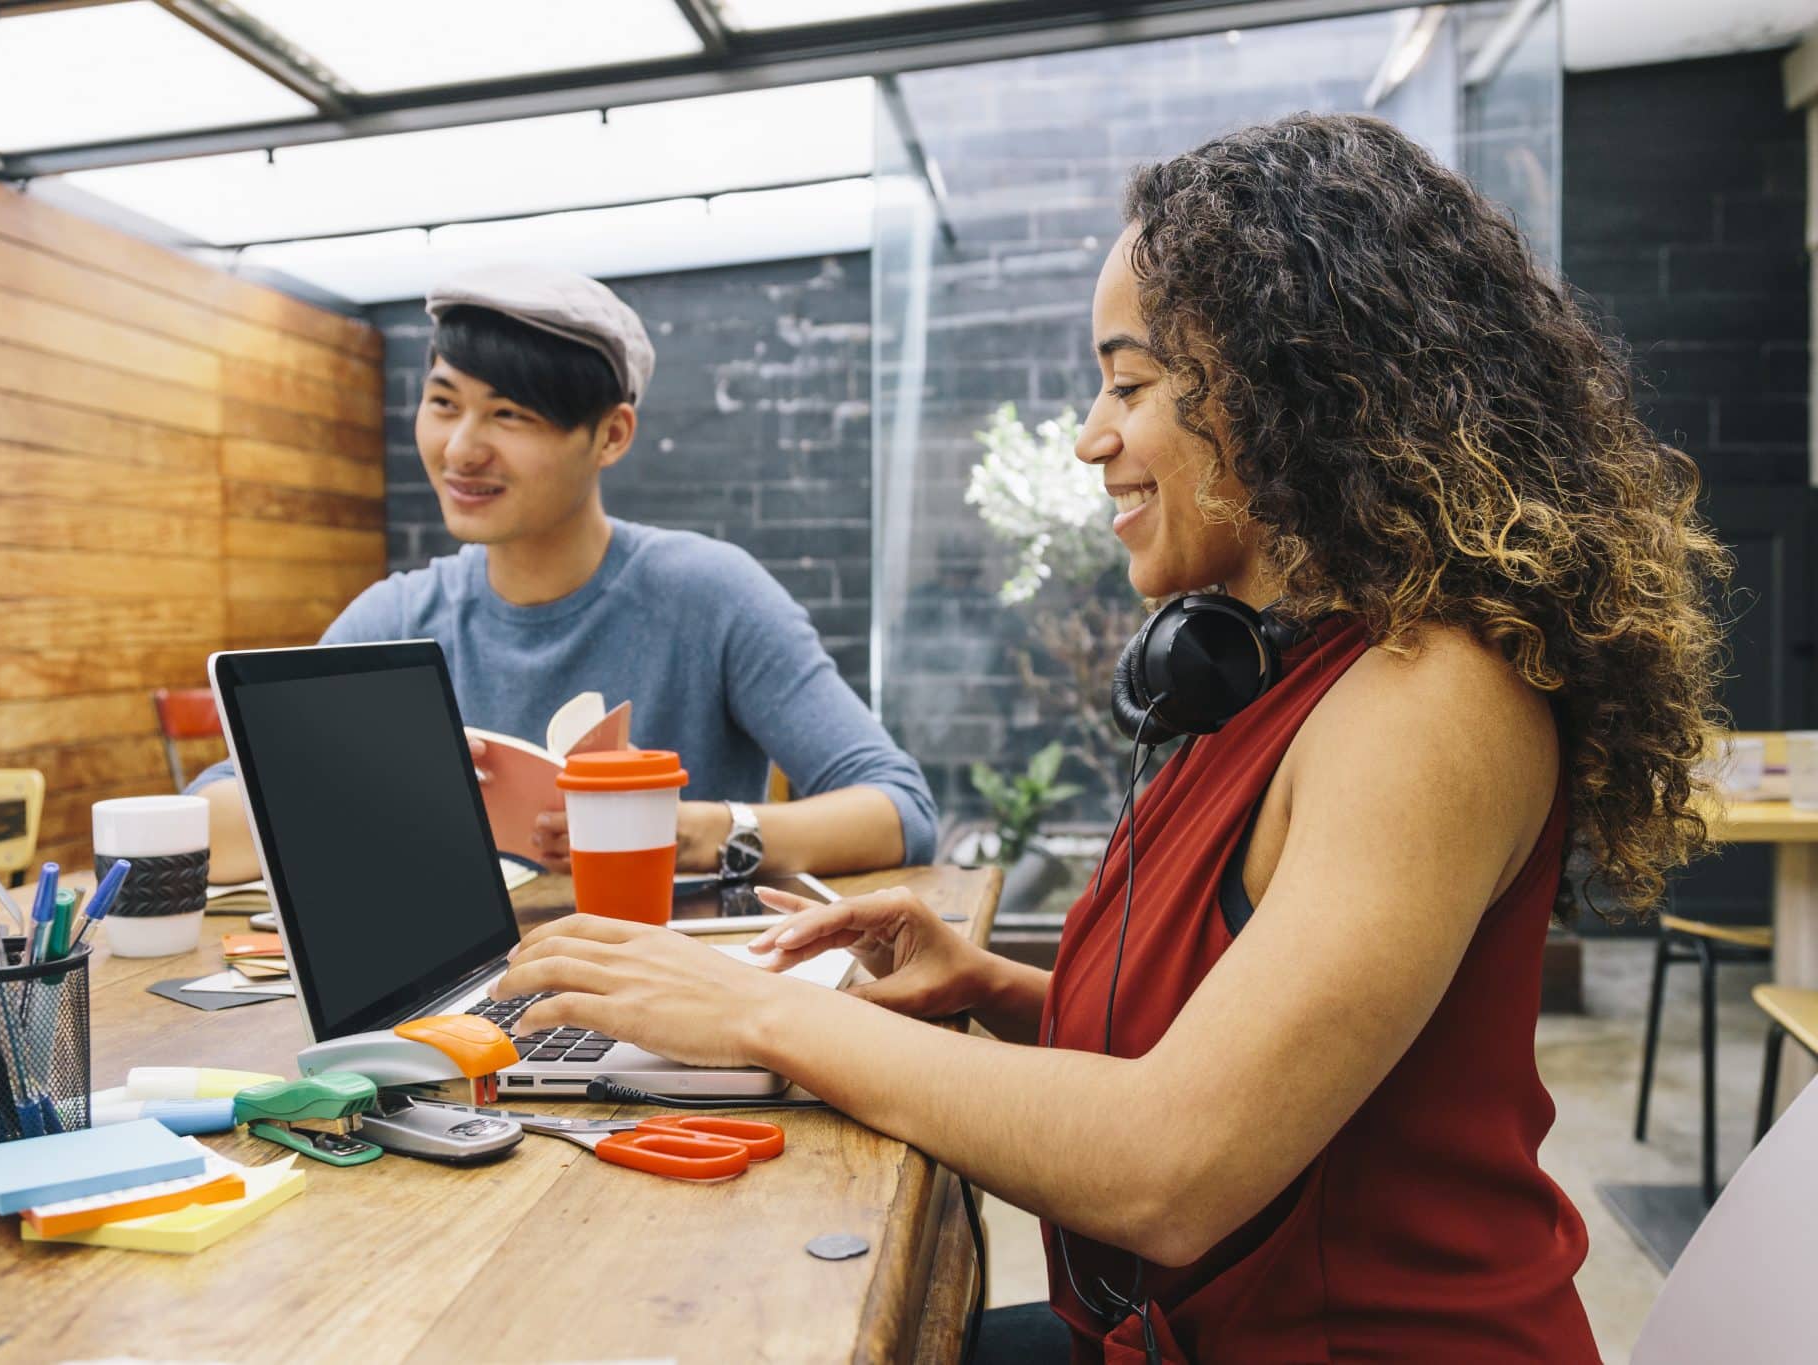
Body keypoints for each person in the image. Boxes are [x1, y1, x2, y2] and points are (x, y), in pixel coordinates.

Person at [495, 114, 1730, 1361]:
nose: (1090, 435)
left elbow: (1173, 1169)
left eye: (1127, 384)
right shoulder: (1260, 670)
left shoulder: (1432, 699)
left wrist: (759, 1016)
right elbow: (1235, 1045)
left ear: (1293, 387)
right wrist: (993, 988)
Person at [193, 263, 934, 884]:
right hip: (450, 1009)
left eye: (510, 415)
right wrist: (360, 788)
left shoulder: (709, 596)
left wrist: (696, 834)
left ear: (611, 434)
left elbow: (900, 810)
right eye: (443, 403)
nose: (460, 450)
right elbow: (203, 829)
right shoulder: (394, 621)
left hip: (666, 997)